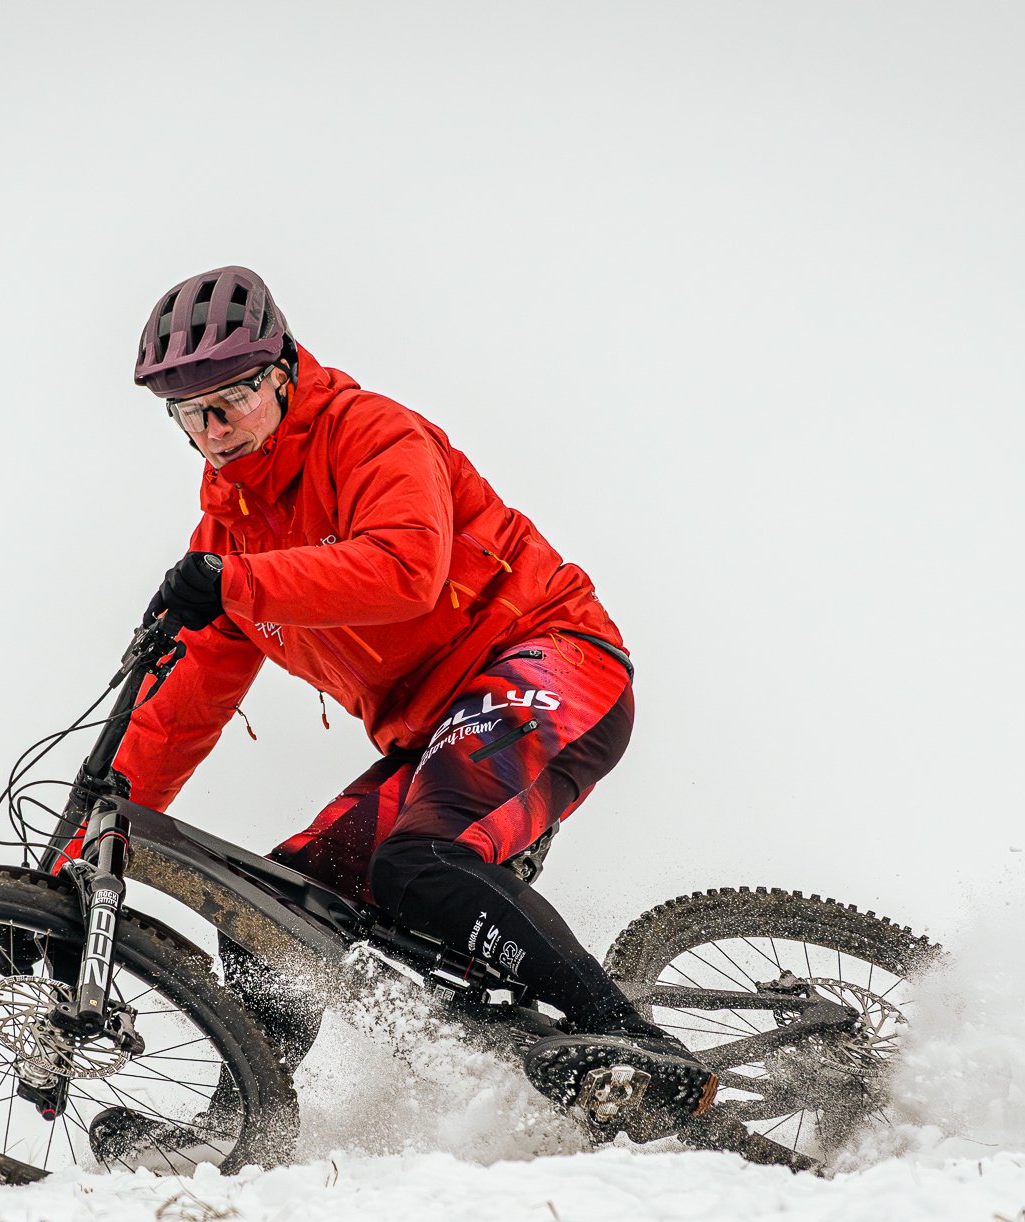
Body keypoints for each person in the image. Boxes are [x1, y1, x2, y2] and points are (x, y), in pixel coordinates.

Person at [118, 264, 716, 1135]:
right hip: (437, 731)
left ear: (283, 373)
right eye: (189, 412)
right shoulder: (230, 535)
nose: (214, 429)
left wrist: (235, 582)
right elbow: (176, 715)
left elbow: (405, 569)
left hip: (552, 660)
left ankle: (637, 1048)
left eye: (233, 399)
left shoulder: (371, 433)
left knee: (419, 860)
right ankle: (243, 1127)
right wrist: (67, 866)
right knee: (270, 905)